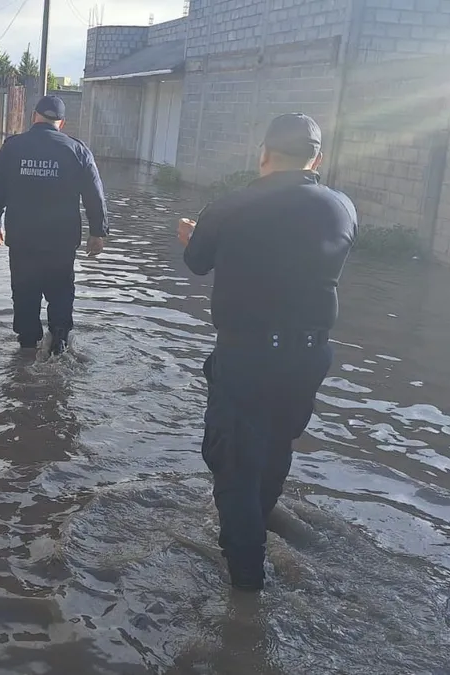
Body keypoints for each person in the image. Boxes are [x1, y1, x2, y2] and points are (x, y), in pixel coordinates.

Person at [177, 113, 357, 591]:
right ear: (317, 159)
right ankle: (259, 521)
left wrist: (195, 235)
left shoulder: (231, 206)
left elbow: (197, 262)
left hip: (249, 357)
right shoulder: (341, 208)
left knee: (233, 464)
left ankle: (246, 591)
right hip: (309, 359)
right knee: (276, 446)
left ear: (263, 154)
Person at [0, 95, 108, 355]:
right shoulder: (77, 150)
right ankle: (58, 345)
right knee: (61, 293)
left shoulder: (13, 147)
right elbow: (95, 194)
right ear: (62, 123)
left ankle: (26, 351)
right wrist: (98, 231)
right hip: (61, 242)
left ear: (33, 116)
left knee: (24, 295)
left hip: (23, 240)